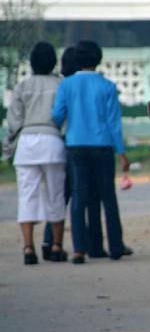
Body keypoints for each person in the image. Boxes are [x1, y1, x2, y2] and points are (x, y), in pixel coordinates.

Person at [52, 40, 132, 264]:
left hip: (76, 145)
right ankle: (115, 246)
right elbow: (114, 123)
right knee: (108, 196)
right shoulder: (107, 86)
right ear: (98, 60)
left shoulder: (66, 85)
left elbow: (57, 114)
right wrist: (122, 153)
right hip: (103, 145)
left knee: (79, 196)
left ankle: (79, 249)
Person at [2, 42, 68, 264]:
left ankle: (28, 248)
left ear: (31, 62)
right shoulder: (60, 84)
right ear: (53, 62)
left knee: (27, 196)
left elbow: (13, 122)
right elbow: (65, 117)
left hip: (27, 145)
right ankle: (57, 246)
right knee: (56, 195)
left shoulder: (23, 87)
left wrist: (8, 145)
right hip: (53, 142)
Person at [41, 47, 105, 260]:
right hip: (76, 143)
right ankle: (89, 245)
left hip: (62, 142)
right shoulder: (71, 86)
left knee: (63, 195)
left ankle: (48, 241)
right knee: (83, 196)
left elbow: (56, 116)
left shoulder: (63, 84)